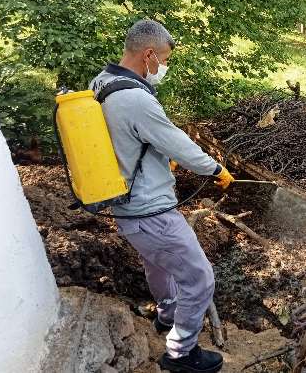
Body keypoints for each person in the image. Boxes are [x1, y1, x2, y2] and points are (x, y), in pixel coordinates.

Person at [89, 19, 234, 373]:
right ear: (149, 54)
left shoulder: (101, 83)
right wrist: (215, 169)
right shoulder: (135, 99)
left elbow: (126, 138)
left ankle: (167, 317)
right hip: (151, 211)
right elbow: (178, 143)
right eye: (164, 60)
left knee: (157, 264)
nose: (163, 68)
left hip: (127, 207)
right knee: (200, 277)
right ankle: (181, 353)